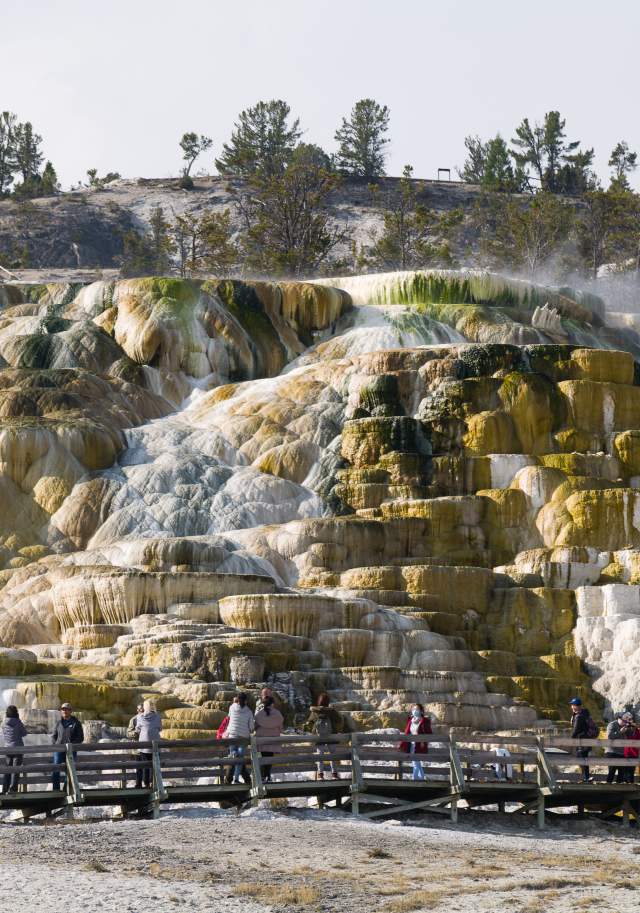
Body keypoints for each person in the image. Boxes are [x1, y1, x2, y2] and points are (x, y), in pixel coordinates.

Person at [306, 693, 344, 780]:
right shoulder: (332, 712)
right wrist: (337, 730)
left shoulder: (314, 711)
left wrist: (312, 731)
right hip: (332, 736)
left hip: (319, 737)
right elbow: (339, 721)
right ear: (328, 702)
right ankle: (334, 774)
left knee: (320, 755)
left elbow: (309, 724)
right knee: (333, 755)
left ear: (319, 701)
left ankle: (320, 775)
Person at [51, 702, 84, 791]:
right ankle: (56, 789)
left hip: (71, 750)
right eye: (63, 709)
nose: (64, 711)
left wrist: (72, 745)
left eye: (67, 709)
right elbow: (54, 736)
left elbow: (80, 737)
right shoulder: (58, 723)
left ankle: (66, 789)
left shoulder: (76, 723)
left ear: (70, 711)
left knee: (70, 771)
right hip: (58, 749)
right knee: (55, 769)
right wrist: (55, 744)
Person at [224, 693, 254, 785]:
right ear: (246, 701)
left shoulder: (232, 707)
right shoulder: (249, 712)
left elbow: (229, 717)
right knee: (240, 759)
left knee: (233, 758)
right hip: (243, 737)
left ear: (237, 699)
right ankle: (236, 779)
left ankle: (233, 753)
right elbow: (251, 727)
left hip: (232, 735)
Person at [254, 696, 284, 783]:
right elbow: (281, 729)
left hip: (262, 740)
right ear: (272, 704)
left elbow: (255, 727)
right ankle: (267, 776)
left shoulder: (259, 714)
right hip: (273, 741)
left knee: (263, 758)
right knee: (270, 758)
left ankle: (263, 777)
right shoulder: (278, 714)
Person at [399, 703, 432, 781]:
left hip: (420, 744)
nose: (415, 711)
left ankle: (415, 779)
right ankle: (421, 778)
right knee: (416, 762)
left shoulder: (424, 721)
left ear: (421, 711)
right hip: (411, 744)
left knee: (415, 762)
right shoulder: (411, 720)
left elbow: (429, 733)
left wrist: (422, 740)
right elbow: (407, 732)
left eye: (417, 709)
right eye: (413, 709)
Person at [134, 699, 162, 789]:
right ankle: (152, 782)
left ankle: (146, 783)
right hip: (155, 745)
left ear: (144, 707)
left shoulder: (140, 717)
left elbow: (137, 729)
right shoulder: (157, 716)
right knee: (154, 764)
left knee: (145, 763)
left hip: (144, 744)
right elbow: (160, 728)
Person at [1, 706, 27, 794]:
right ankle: (13, 789)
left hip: (8, 749)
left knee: (8, 769)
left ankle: (4, 789)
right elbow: (24, 733)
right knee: (15, 770)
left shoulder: (4, 723)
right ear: (16, 713)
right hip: (18, 749)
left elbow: (4, 733)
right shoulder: (18, 722)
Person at [569, 697, 594, 782]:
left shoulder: (579, 716)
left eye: (572, 705)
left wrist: (571, 739)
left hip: (582, 741)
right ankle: (586, 777)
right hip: (586, 740)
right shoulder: (584, 714)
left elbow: (576, 730)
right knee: (583, 759)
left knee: (581, 759)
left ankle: (586, 778)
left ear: (576, 706)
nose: (571, 707)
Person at [605, 713, 626, 784]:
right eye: (623, 721)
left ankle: (619, 789)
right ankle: (608, 787)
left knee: (621, 773)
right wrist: (620, 732)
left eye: (625, 721)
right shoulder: (612, 724)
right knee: (611, 772)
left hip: (622, 752)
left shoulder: (626, 726)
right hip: (612, 752)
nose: (624, 722)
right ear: (618, 719)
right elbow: (610, 736)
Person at [620, 712, 640, 784]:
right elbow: (621, 733)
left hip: (634, 752)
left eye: (631, 720)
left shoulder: (637, 731)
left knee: (631, 770)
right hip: (626, 752)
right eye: (629, 720)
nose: (630, 721)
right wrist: (626, 726)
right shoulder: (626, 729)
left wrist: (635, 727)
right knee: (625, 770)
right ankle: (625, 783)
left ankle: (631, 783)